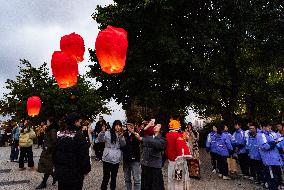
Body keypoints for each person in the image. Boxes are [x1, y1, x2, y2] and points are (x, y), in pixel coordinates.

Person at [53, 113, 91, 190]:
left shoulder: (60, 134)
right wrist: (86, 169)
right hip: (75, 173)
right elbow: (84, 155)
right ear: (75, 122)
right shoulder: (79, 135)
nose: (80, 123)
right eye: (79, 121)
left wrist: (57, 167)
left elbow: (54, 152)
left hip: (61, 172)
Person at [134, 121, 166, 190]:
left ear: (161, 130)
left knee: (155, 187)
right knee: (145, 186)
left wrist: (142, 139)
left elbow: (155, 143)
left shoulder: (162, 140)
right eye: (155, 125)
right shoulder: (148, 137)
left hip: (155, 167)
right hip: (145, 166)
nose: (155, 126)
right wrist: (148, 125)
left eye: (158, 126)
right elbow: (140, 134)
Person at [98, 120, 126, 190]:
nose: (118, 127)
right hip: (107, 157)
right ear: (114, 126)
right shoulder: (107, 132)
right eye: (116, 125)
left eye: (119, 125)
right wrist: (102, 132)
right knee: (106, 177)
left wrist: (121, 137)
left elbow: (123, 144)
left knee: (114, 177)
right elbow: (100, 139)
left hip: (116, 158)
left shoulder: (121, 134)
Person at [166, 119, 191, 190]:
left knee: (171, 176)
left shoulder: (167, 135)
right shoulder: (179, 135)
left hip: (171, 159)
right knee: (178, 179)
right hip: (179, 160)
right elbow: (183, 147)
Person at [257, 122, 283, 190]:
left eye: (270, 126)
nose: (269, 128)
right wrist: (274, 142)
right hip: (269, 161)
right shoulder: (260, 135)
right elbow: (265, 146)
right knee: (272, 178)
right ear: (263, 127)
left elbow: (277, 145)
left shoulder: (271, 134)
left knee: (277, 177)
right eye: (267, 127)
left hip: (276, 159)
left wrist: (279, 146)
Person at [36, 117, 59, 189]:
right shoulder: (50, 128)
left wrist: (48, 147)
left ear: (50, 122)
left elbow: (54, 141)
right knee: (47, 165)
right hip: (48, 150)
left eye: (47, 121)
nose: (47, 122)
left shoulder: (52, 129)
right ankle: (54, 177)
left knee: (47, 165)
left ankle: (44, 183)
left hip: (49, 151)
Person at [121, 122, 141, 190]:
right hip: (126, 159)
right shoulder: (124, 134)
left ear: (133, 126)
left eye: (131, 125)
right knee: (127, 179)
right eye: (128, 125)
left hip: (135, 160)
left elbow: (140, 142)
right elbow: (122, 146)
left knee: (137, 179)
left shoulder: (137, 134)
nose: (129, 127)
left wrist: (134, 133)